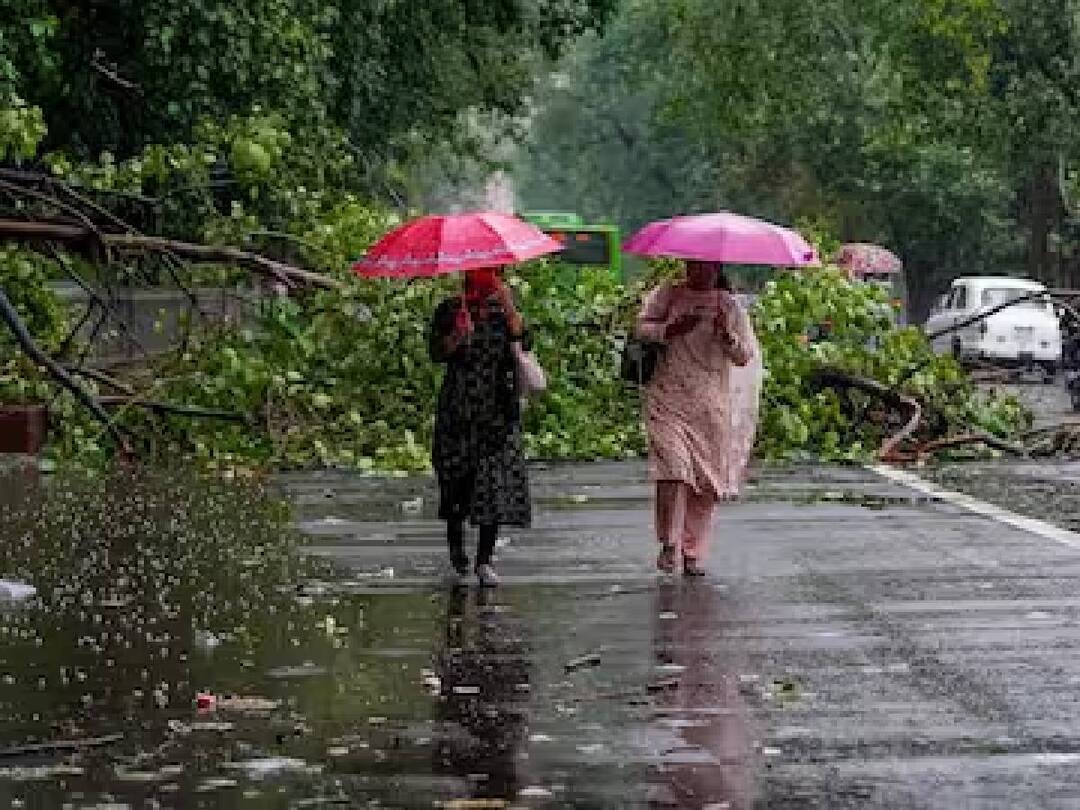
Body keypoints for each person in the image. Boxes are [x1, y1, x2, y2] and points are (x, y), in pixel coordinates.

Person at [636, 261, 762, 576]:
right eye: (693, 265)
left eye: (705, 266)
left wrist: (726, 334)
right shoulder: (667, 294)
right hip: (668, 397)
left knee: (705, 482)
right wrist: (670, 329)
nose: (698, 271)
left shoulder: (729, 305)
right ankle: (668, 543)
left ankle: (693, 551)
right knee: (673, 472)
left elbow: (744, 356)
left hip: (710, 405)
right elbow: (641, 328)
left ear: (716, 268)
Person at [429, 267, 532, 587]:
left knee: (494, 486)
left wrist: (510, 307)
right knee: (456, 481)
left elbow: (524, 342)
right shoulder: (449, 310)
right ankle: (457, 549)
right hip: (458, 410)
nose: (488, 279)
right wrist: (458, 335)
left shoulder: (503, 311)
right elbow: (436, 353)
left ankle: (484, 560)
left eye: (494, 274)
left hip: (497, 410)